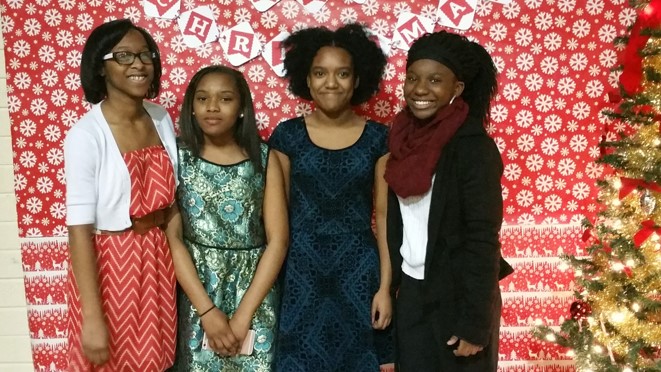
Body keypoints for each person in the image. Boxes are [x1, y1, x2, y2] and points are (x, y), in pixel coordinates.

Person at [385, 30, 513, 372]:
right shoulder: (400, 142)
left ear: (456, 89)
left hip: (459, 298)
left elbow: (483, 239)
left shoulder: (473, 147)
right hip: (413, 294)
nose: (420, 89)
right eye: (412, 78)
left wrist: (475, 324)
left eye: (435, 80)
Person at [268, 23, 394, 371]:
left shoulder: (379, 138)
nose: (331, 82)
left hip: (359, 270)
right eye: (320, 73)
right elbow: (276, 223)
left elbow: (382, 217)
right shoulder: (286, 136)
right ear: (306, 79)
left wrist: (385, 286)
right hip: (300, 272)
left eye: (342, 74)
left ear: (357, 80)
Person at [63, 19, 178, 370]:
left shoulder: (160, 118)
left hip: (159, 260)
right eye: (124, 55)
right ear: (100, 66)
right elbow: (79, 229)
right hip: (111, 267)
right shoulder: (85, 135)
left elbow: (173, 203)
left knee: (157, 362)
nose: (139, 64)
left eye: (145, 54)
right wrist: (93, 319)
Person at [165, 65, 288, 371]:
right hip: (197, 291)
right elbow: (173, 239)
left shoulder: (263, 159)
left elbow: (278, 241)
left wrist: (244, 315)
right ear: (191, 108)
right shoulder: (178, 159)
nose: (212, 107)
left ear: (242, 108)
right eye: (202, 98)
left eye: (225, 98)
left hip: (255, 293)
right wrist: (207, 312)